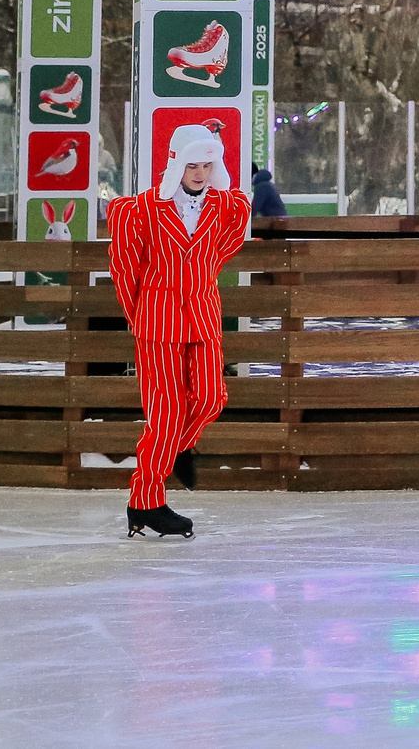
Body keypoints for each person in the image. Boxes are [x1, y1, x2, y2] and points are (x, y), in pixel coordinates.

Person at [107, 122, 252, 536]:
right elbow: (125, 269)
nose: (201, 173)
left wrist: (197, 282)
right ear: (176, 163)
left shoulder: (228, 207)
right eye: (193, 165)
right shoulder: (141, 211)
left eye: (208, 164)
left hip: (203, 316)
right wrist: (140, 317)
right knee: (166, 412)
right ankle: (146, 500)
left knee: (211, 397)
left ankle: (180, 446)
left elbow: (221, 252)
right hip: (157, 321)